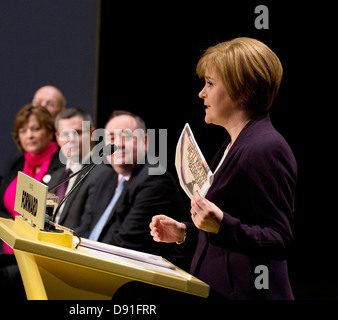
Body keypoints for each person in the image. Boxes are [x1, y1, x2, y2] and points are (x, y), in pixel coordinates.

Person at [150, 37, 297, 300]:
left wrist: (221, 225)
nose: (201, 93)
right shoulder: (235, 142)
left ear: (241, 90)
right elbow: (233, 221)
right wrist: (185, 232)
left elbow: (279, 238)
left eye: (210, 84)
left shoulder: (266, 147)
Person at [77, 110, 188, 268]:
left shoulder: (155, 180)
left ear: (145, 141)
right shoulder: (104, 178)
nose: (118, 144)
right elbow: (84, 229)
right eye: (112, 138)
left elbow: (124, 244)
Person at [0, 104, 63, 219]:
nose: (29, 136)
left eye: (36, 129)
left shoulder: (61, 163)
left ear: (49, 132)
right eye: (23, 131)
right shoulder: (17, 161)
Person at [49, 108, 95, 229]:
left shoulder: (100, 174)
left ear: (91, 134)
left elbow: (88, 227)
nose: (71, 139)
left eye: (78, 132)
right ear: (57, 138)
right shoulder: (56, 175)